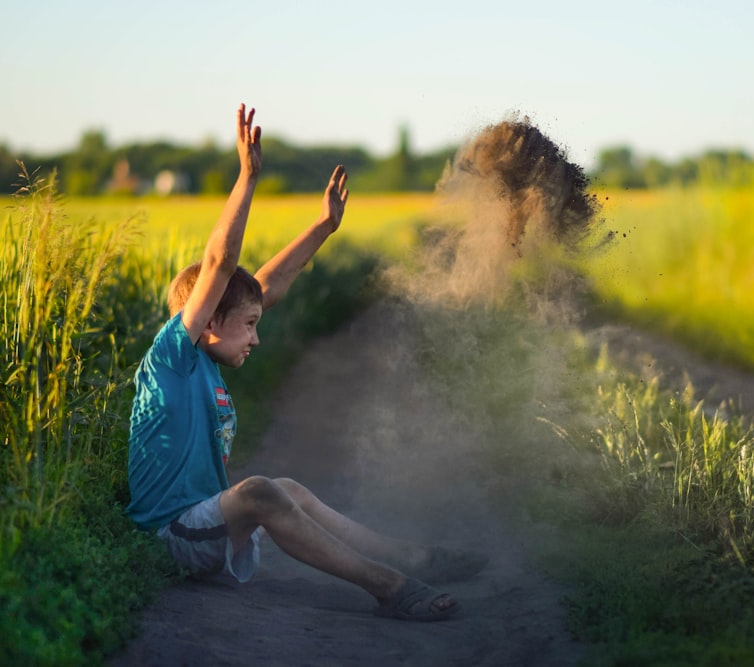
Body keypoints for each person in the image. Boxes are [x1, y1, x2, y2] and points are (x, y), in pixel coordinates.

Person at [126, 104, 485, 622]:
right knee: (259, 492)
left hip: (201, 528)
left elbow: (261, 288)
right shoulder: (172, 355)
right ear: (206, 321)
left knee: (287, 490)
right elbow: (220, 264)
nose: (256, 336)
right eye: (248, 326)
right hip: (170, 537)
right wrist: (247, 178)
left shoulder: (204, 355)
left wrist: (323, 228)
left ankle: (415, 557)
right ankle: (390, 585)